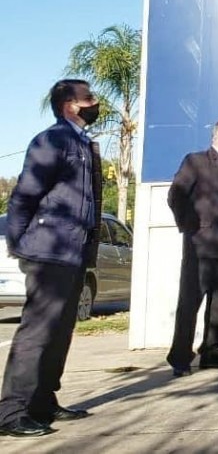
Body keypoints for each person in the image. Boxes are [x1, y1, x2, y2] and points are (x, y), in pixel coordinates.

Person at [0, 79, 103, 438]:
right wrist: (21, 244)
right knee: (37, 333)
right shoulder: (53, 140)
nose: (95, 103)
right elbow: (24, 196)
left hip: (73, 253)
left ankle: (43, 401)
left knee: (60, 332)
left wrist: (89, 250)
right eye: (88, 98)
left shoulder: (83, 143)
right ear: (70, 106)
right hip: (48, 251)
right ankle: (12, 411)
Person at [166, 119, 218, 376]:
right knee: (190, 302)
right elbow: (175, 195)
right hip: (201, 245)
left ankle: (211, 351)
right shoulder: (196, 161)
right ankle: (180, 357)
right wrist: (192, 227)